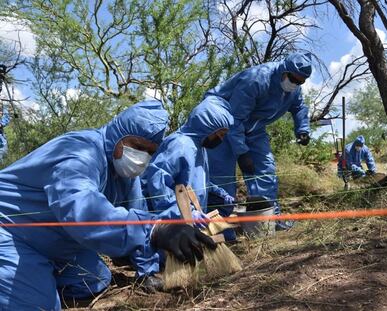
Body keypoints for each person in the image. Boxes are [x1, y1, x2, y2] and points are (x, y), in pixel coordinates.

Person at [0, 100, 216, 311]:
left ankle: (37, 275)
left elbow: (136, 215)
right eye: (138, 146)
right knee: (39, 305)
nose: (142, 157)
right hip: (11, 233)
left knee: (97, 280)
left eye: (150, 151)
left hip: (56, 240)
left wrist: (150, 265)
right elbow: (82, 212)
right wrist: (156, 230)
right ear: (118, 134)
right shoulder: (79, 153)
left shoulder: (123, 174)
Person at [204, 53, 312, 233]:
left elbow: (299, 107)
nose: (295, 83)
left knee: (265, 170)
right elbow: (235, 118)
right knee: (221, 176)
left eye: (300, 82)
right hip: (223, 124)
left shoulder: (294, 88)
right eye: (293, 78)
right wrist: (242, 152)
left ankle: (268, 221)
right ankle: (218, 228)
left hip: (254, 128)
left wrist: (303, 129)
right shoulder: (257, 79)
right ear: (283, 70)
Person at [138, 98, 234, 275]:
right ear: (206, 126)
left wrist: (218, 193)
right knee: (174, 258)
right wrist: (178, 211)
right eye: (219, 134)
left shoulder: (200, 146)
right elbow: (158, 183)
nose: (221, 139)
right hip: (169, 223)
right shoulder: (180, 145)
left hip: (189, 217)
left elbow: (196, 181)